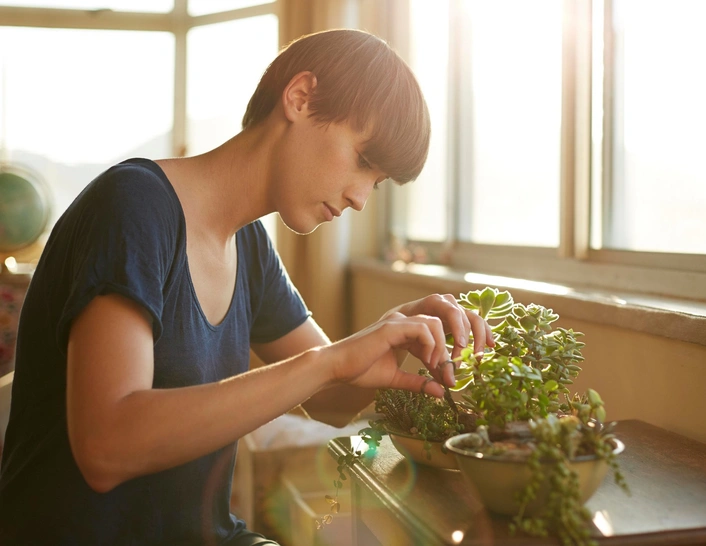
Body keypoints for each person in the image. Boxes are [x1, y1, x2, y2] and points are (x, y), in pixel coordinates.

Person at [0, 29, 493, 545]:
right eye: (364, 161)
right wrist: (330, 361)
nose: (360, 199)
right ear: (300, 99)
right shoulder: (132, 208)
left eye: (378, 182)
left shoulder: (249, 246)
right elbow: (107, 446)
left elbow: (329, 390)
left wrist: (389, 341)